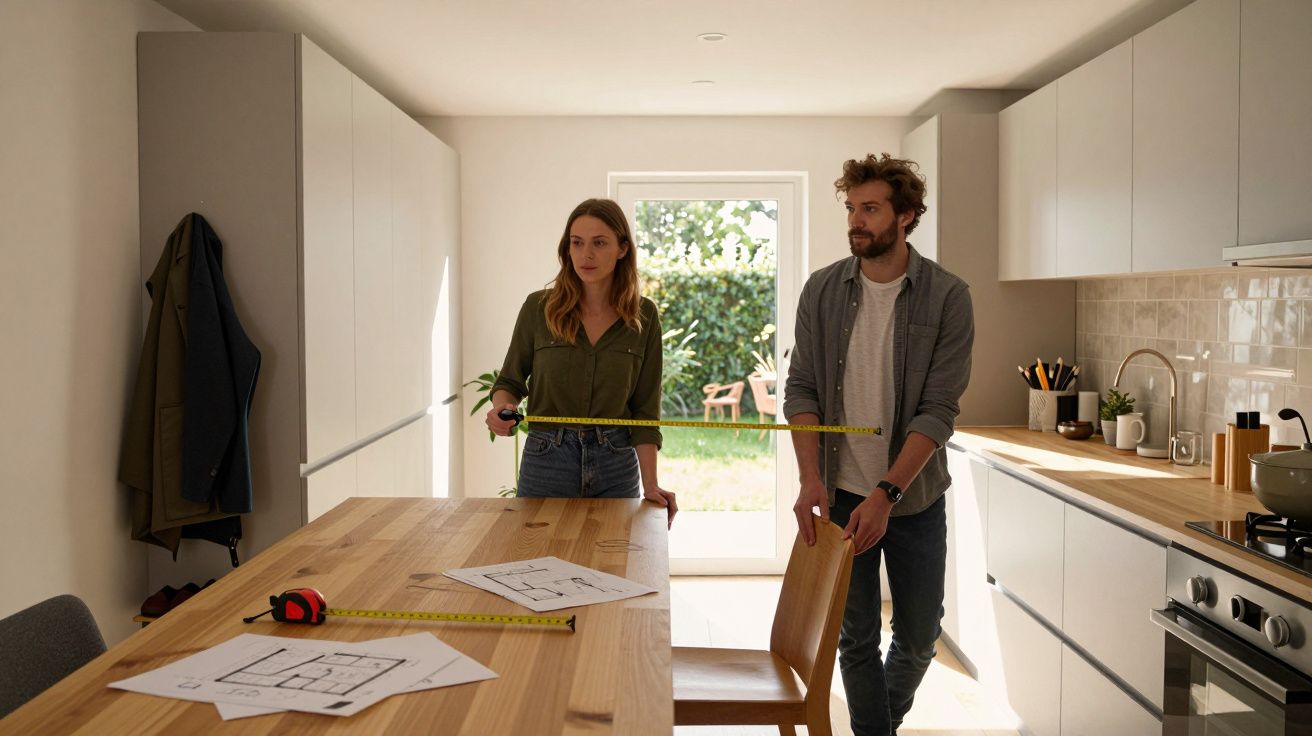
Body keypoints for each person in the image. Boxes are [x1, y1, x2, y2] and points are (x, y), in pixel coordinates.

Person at [783, 154, 974, 735]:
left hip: (912, 499)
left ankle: (877, 728)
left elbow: (938, 409)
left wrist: (887, 494)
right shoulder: (821, 291)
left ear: (907, 215)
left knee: (919, 637)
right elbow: (802, 389)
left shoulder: (948, 297)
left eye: (870, 208)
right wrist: (809, 478)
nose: (856, 221)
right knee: (856, 636)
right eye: (851, 208)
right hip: (839, 492)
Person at [486, 198, 677, 526]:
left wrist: (652, 484)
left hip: (617, 463)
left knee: (613, 568)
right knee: (536, 564)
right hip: (547, 460)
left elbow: (645, 412)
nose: (586, 254)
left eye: (599, 243)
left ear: (621, 249)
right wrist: (501, 410)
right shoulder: (538, 308)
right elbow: (510, 382)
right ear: (567, 249)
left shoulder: (644, 316)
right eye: (577, 243)